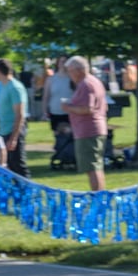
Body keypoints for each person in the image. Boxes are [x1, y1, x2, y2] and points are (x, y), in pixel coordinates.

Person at [61, 56, 109, 192]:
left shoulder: (85, 84)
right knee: (96, 166)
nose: (69, 75)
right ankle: (100, 194)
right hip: (96, 128)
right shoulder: (95, 81)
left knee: (91, 168)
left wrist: (68, 108)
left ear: (79, 70)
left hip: (88, 131)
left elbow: (87, 109)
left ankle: (97, 196)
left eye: (70, 71)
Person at [0, 58, 30, 178]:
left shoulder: (14, 87)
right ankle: (18, 195)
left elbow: (20, 114)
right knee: (11, 167)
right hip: (4, 130)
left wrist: (14, 138)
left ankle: (29, 195)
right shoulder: (4, 86)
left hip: (13, 131)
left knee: (19, 167)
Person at [45, 54, 75, 142]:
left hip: (70, 111)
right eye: (61, 61)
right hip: (55, 111)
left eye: (65, 61)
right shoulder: (51, 79)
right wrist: (45, 110)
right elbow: (46, 96)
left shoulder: (72, 78)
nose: (63, 64)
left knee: (70, 135)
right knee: (58, 136)